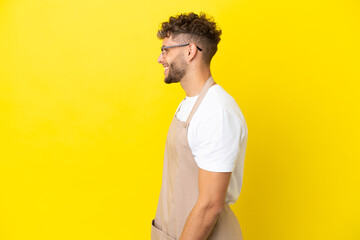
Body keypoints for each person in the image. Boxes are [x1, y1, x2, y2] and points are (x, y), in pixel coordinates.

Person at [151, 12, 248, 240]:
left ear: (190, 50)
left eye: (166, 50)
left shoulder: (216, 111)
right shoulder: (189, 103)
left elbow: (210, 205)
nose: (160, 58)